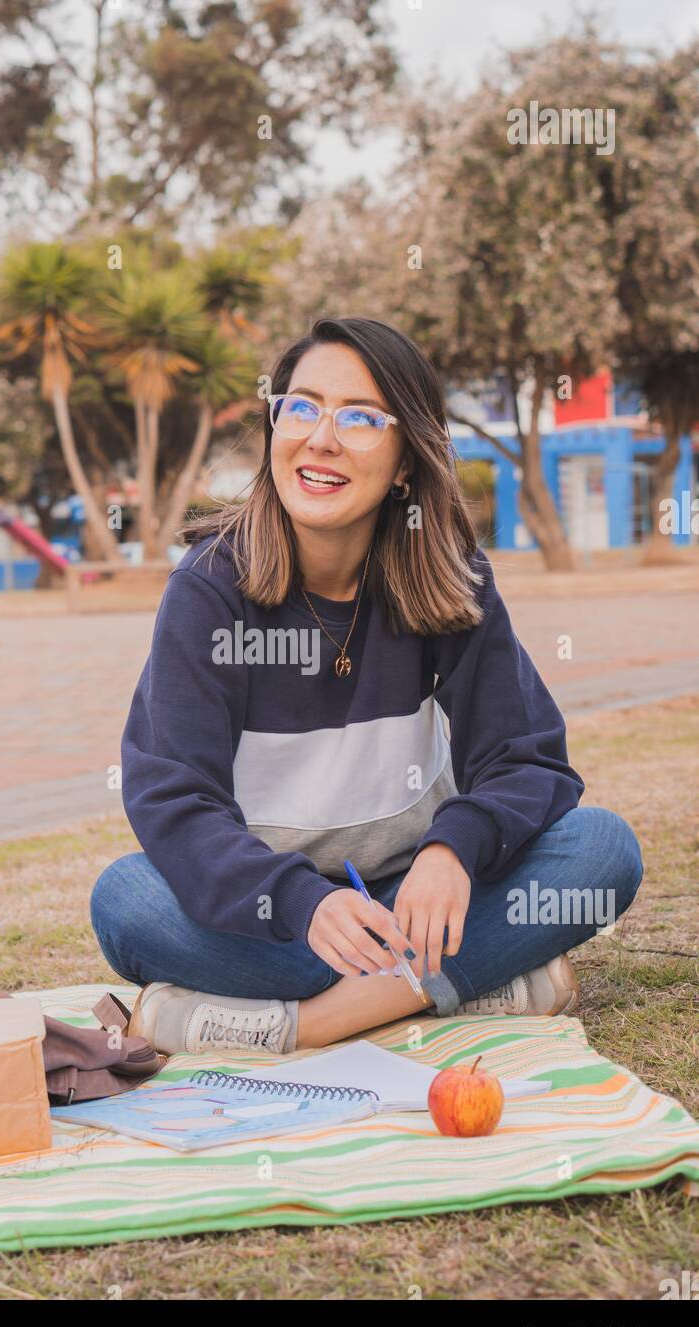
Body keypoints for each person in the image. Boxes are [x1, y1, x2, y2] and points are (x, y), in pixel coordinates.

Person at [91, 317, 643, 1057]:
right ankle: (457, 989)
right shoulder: (208, 591)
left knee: (602, 852)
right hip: (281, 916)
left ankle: (312, 1025)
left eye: (359, 418)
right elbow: (173, 801)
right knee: (128, 901)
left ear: (407, 463)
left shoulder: (450, 580)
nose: (322, 438)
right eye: (302, 406)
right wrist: (299, 900)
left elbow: (529, 759)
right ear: (275, 424)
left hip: (417, 904)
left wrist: (452, 852)